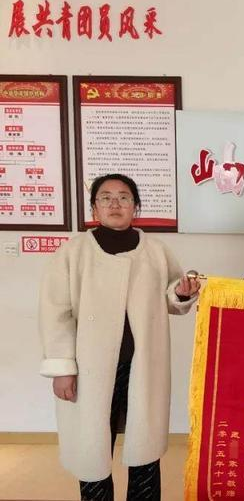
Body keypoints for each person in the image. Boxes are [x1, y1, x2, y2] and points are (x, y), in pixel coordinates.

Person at [39, 173, 200, 500]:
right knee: (92, 449)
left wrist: (183, 293)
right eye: (106, 197)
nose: (115, 203)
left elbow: (172, 294)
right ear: (94, 208)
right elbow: (55, 312)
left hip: (142, 365)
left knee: (144, 445)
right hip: (89, 367)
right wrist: (62, 368)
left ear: (135, 207)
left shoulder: (155, 251)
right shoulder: (74, 252)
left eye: (124, 197)